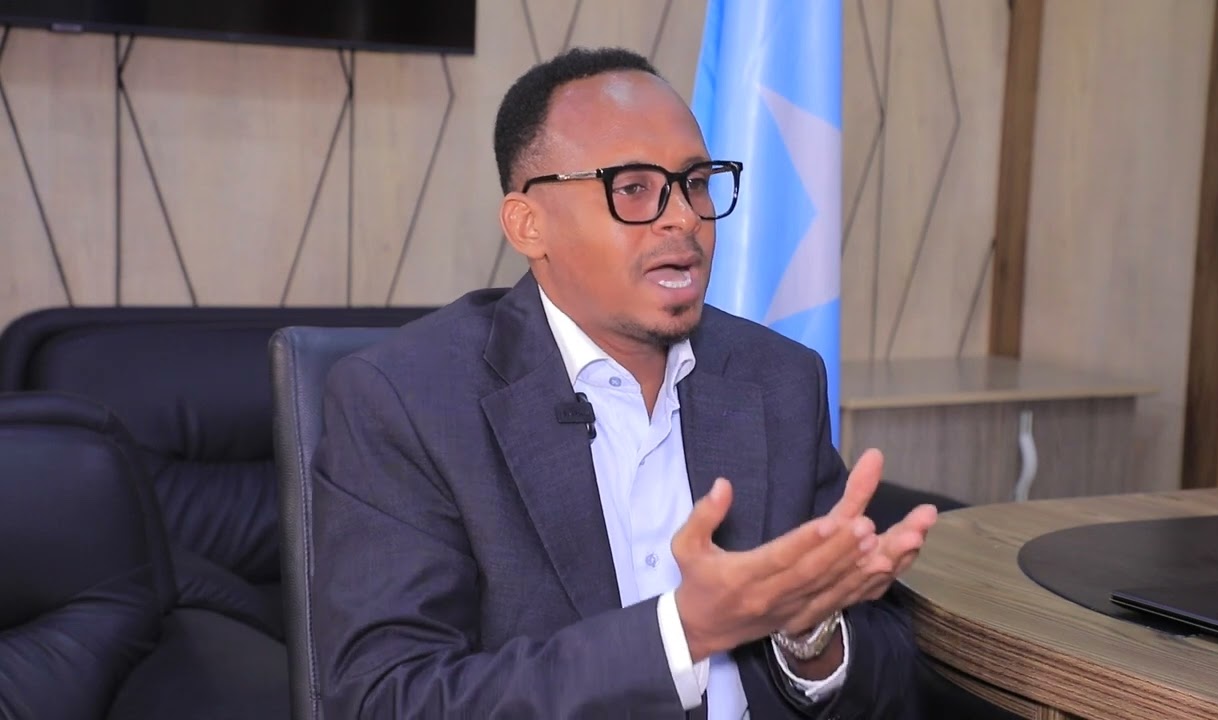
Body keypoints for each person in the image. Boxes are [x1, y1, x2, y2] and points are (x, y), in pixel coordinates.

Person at [310, 46, 939, 719]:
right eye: (633, 188)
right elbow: (388, 697)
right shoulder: (407, 402)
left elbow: (893, 671)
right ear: (529, 225)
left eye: (696, 182)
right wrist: (682, 634)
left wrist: (807, 635)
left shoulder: (778, 379)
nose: (685, 217)